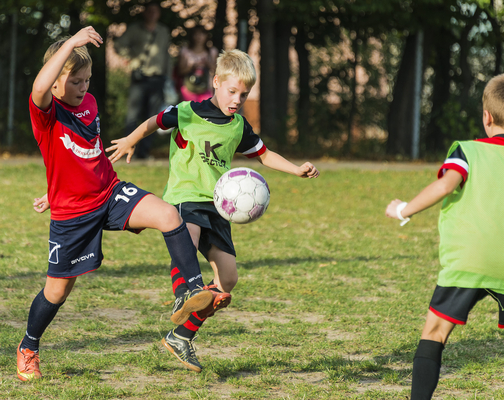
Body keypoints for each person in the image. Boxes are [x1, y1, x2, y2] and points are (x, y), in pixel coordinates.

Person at [17, 26, 217, 382]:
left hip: (109, 193)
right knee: (57, 291)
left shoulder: (90, 104)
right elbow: (38, 90)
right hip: (73, 215)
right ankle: (29, 346)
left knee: (168, 214)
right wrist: (71, 43)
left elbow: (86, 154)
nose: (84, 88)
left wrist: (61, 183)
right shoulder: (46, 113)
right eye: (76, 81)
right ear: (58, 80)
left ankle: (189, 289)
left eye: (88, 80)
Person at [107, 49, 320, 372]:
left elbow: (263, 154)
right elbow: (155, 121)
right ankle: (183, 294)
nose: (237, 99)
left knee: (228, 280)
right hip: (186, 196)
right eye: (232, 91)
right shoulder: (187, 112)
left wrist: (296, 170)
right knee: (186, 243)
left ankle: (181, 336)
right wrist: (131, 140)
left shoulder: (238, 126)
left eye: (244, 94)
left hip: (220, 207)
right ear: (216, 82)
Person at [385, 73, 504, 400]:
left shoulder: (467, 151)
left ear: (487, 116)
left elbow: (444, 186)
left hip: (467, 262)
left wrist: (404, 210)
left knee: (435, 332)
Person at [113, 2, 171, 159]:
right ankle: (126, 149)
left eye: (155, 11)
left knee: (153, 116)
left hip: (158, 78)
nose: (152, 14)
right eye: (149, 11)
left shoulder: (163, 31)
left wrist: (169, 78)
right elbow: (118, 45)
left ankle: (143, 153)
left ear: (159, 13)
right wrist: (130, 60)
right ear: (144, 13)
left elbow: (167, 55)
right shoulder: (134, 29)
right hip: (139, 77)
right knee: (133, 115)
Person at [175, 26, 218, 102]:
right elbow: (180, 71)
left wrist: (208, 64)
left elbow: (217, 72)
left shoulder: (212, 52)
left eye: (202, 34)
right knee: (189, 111)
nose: (199, 37)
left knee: (205, 111)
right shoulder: (185, 51)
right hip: (188, 87)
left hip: (206, 87)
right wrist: (191, 67)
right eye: (196, 34)